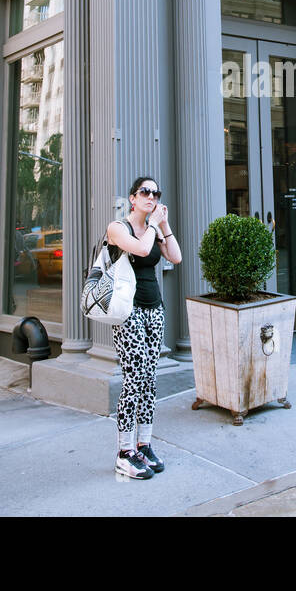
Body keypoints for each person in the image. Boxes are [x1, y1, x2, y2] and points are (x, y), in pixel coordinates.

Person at [105, 175, 182, 480]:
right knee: (133, 378)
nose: (152, 196)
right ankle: (124, 452)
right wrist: (152, 225)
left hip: (154, 310)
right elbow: (138, 249)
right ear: (133, 198)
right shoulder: (118, 228)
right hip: (128, 312)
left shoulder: (153, 229)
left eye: (155, 192)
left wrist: (164, 225)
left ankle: (144, 445)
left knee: (150, 379)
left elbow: (175, 257)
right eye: (145, 192)